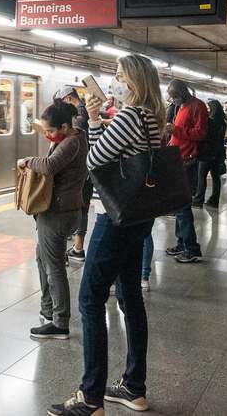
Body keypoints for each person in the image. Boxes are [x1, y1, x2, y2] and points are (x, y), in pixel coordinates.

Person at [49, 54, 165, 416]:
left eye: (119, 76)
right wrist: (99, 119)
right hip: (139, 214)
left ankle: (91, 398)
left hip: (114, 216)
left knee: (90, 298)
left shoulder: (130, 116)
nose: (114, 81)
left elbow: (94, 159)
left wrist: (95, 118)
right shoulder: (154, 118)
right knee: (130, 296)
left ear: (134, 82)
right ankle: (133, 386)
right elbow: (112, 152)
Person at [18, 99, 88, 339]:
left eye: (50, 131)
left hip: (59, 211)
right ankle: (48, 310)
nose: (47, 135)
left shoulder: (72, 142)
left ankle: (60, 322)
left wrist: (27, 161)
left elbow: (49, 166)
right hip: (62, 209)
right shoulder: (72, 138)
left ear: (65, 126)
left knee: (54, 267)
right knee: (43, 258)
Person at [164, 79, 208, 263]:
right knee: (177, 204)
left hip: (187, 159)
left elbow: (200, 133)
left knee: (182, 206)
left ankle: (191, 248)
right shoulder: (181, 106)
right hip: (177, 157)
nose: (172, 100)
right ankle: (181, 243)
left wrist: (176, 130)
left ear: (182, 92)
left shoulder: (198, 106)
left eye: (174, 96)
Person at [55, 85, 91, 263]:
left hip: (80, 170)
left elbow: (73, 144)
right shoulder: (83, 112)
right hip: (86, 169)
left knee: (77, 207)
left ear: (69, 98)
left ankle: (78, 248)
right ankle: (77, 247)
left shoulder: (78, 116)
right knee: (80, 207)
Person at [193, 100, 227, 209]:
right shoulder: (223, 122)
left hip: (207, 152)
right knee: (216, 178)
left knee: (201, 176)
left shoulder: (209, 121)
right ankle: (214, 200)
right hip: (219, 153)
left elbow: (204, 137)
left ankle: (198, 200)